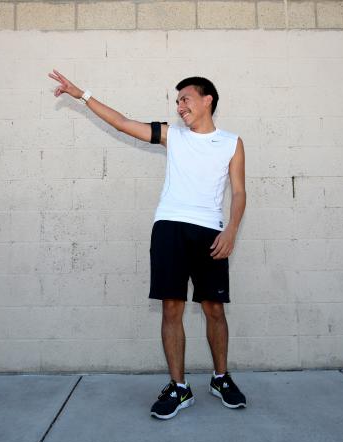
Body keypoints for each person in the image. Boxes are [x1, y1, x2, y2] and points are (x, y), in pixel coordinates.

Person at [48, 69, 247, 420]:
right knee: (172, 308)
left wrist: (231, 229)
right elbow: (123, 122)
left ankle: (221, 378)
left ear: (207, 100)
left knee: (214, 309)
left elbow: (240, 191)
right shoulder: (174, 137)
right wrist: (82, 94)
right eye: (177, 102)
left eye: (185, 99)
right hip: (169, 228)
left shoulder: (232, 142)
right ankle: (179, 387)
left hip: (211, 233)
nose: (180, 106)